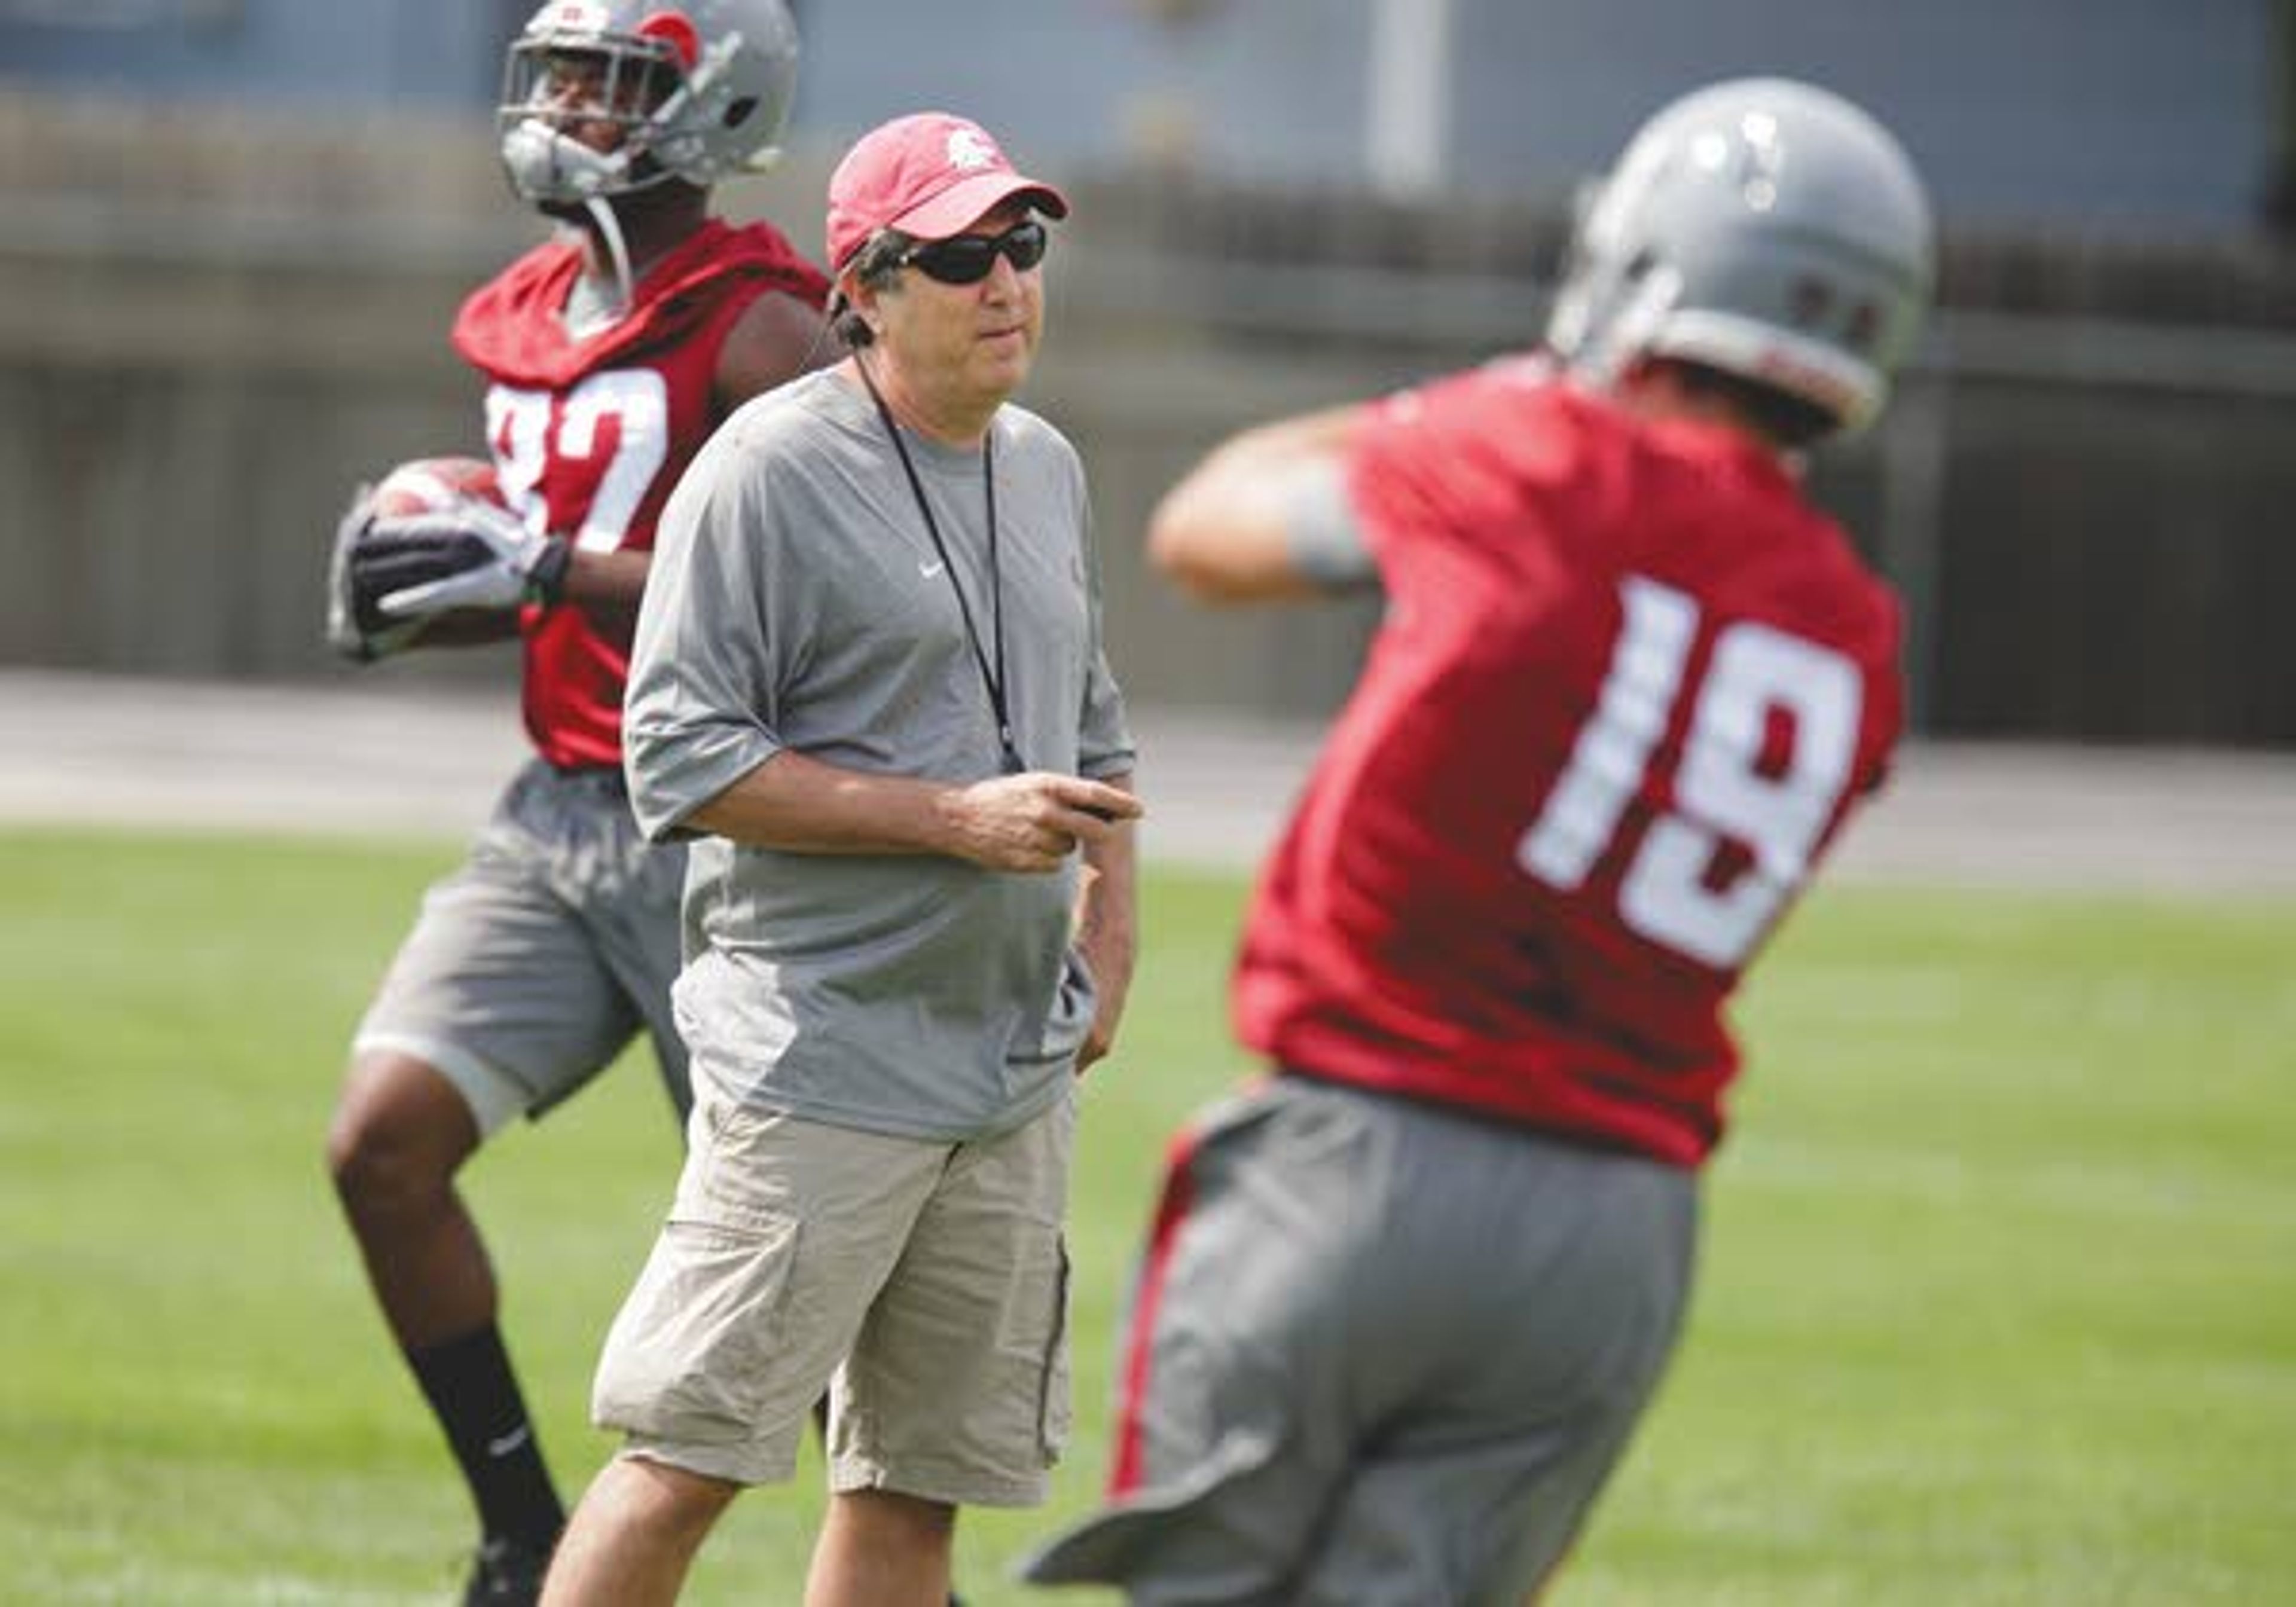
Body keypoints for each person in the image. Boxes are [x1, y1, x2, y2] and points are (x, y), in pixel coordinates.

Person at [1022, 77, 1935, 1605]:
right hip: (1621, 1223)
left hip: (1369, 1154)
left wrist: (1475, 400)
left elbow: (1209, 529)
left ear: (1646, 264)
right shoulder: (1859, 626)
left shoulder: (1531, 452)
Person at [536, 111, 1141, 1607]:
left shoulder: (1047, 466)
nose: (1004, 282)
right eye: (957, 256)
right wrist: (952, 821)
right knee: (687, 1456)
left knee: (914, 1494)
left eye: (1023, 244)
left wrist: (1111, 938)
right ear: (862, 288)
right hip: (823, 1058)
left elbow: (1102, 737)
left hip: (1007, 1074)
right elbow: (678, 759)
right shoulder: (763, 473)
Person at [320, 4, 830, 1602]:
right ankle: (515, 1529)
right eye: (557, 75)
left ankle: (905, 1576)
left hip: (734, 842)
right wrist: (428, 590)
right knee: (381, 1147)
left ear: (714, 101)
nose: (569, 109)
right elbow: (543, 582)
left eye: (614, 83)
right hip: (555, 815)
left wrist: (535, 564)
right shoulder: (526, 310)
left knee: (804, 1269)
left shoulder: (764, 327)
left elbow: (818, 587)